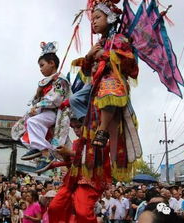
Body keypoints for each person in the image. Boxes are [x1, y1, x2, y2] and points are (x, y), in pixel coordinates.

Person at [70, 0, 142, 186]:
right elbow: (86, 73)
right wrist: (88, 57)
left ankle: (102, 131)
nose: (93, 22)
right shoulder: (100, 43)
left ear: (110, 18)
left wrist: (104, 54)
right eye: (92, 18)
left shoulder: (119, 39)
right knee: (75, 98)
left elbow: (130, 63)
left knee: (108, 87)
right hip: (95, 86)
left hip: (113, 82)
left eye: (97, 17)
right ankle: (84, 125)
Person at [11, 41, 70, 173]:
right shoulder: (45, 82)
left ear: (52, 63)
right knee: (25, 129)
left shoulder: (60, 80)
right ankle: (38, 148)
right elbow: (37, 100)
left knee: (32, 122)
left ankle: (45, 152)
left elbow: (55, 99)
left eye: (42, 65)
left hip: (54, 113)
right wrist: (38, 93)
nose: (41, 69)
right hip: (44, 112)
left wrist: (37, 104)